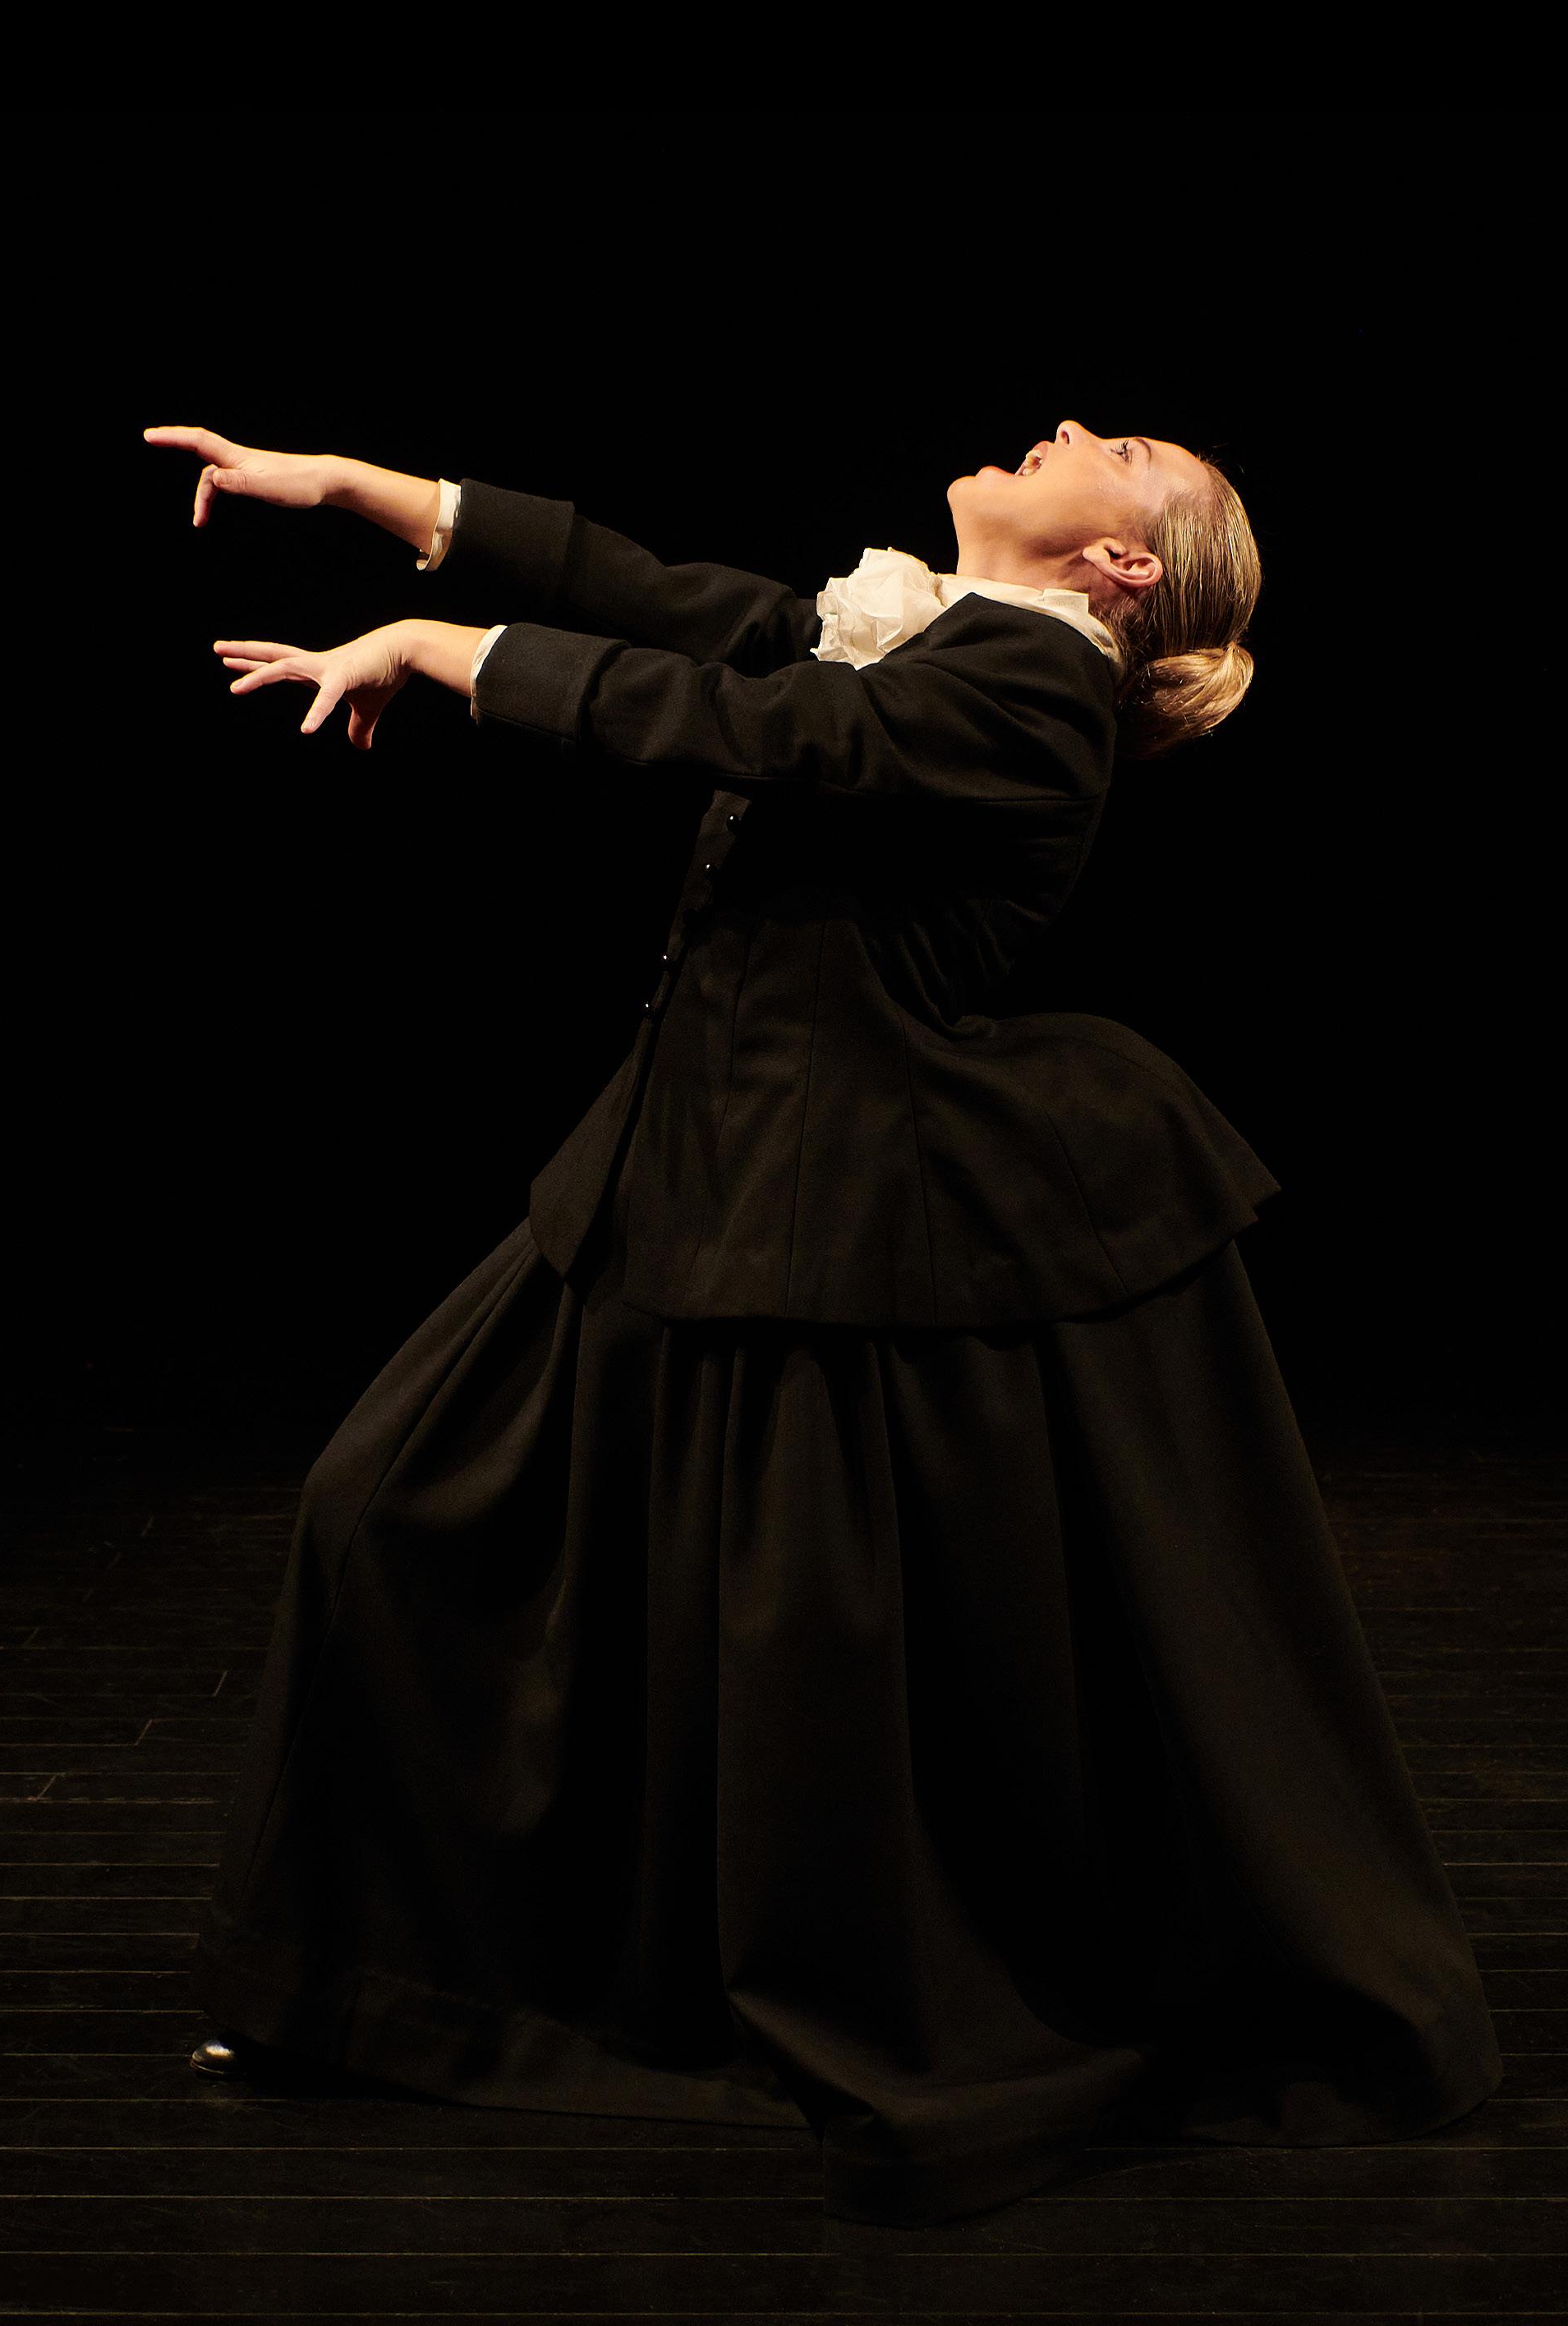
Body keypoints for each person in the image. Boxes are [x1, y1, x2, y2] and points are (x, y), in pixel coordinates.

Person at [140, 420, 1504, 2229]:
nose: (1065, 426)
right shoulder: (931, 629)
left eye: (1119, 448)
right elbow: (660, 601)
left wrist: (441, 652)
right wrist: (367, 495)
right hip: (683, 1161)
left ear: (1123, 567)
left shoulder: (1036, 687)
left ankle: (442, 1992)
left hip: (821, 1192)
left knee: (771, 1623)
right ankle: (375, 1980)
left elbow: (766, 728)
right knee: (397, 1510)